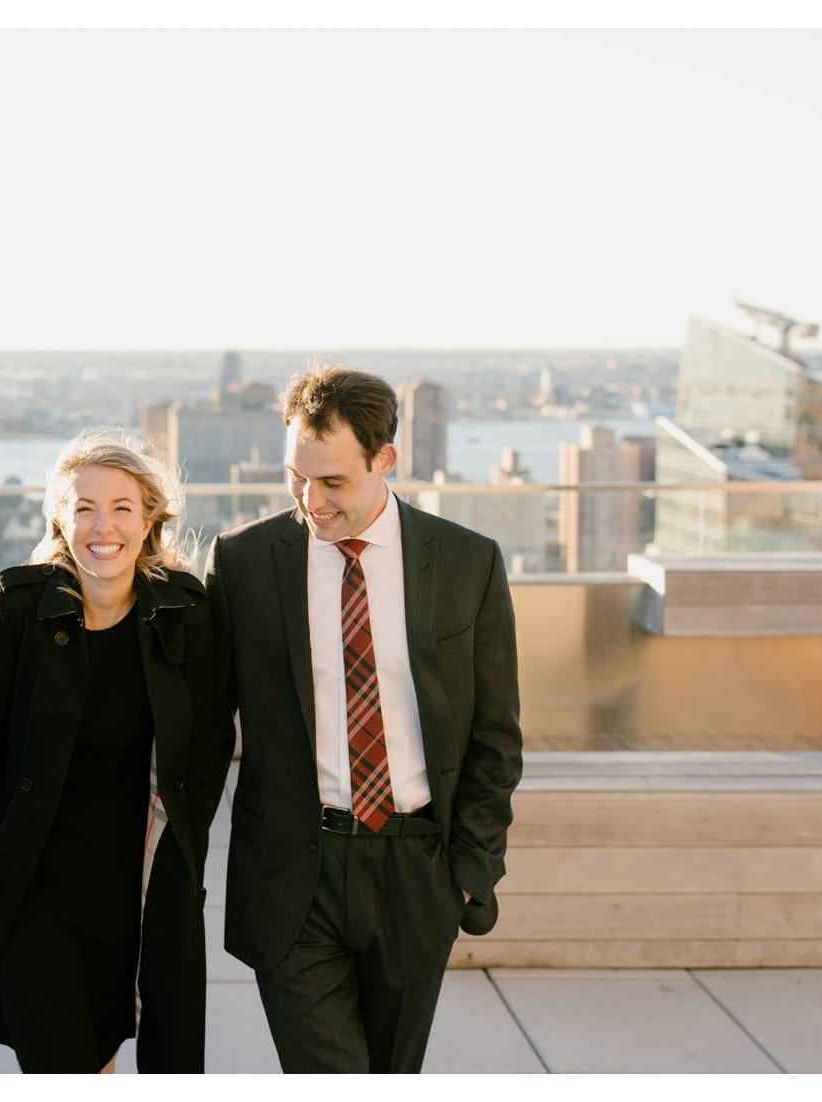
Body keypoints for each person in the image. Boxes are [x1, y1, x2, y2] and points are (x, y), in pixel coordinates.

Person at [203, 364, 523, 1073]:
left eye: (333, 482)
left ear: (386, 461)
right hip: (292, 874)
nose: (310, 501)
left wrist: (469, 869)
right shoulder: (245, 563)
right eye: (296, 478)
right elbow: (201, 728)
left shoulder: (469, 564)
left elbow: (495, 737)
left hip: (417, 872)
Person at [0, 430, 217, 1073]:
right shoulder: (18, 608)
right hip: (30, 889)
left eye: (121, 508)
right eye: (84, 508)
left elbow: (208, 749)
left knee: (102, 1053)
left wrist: (187, 849)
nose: (101, 526)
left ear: (150, 519)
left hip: (127, 890)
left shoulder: (184, 615)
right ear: (59, 517)